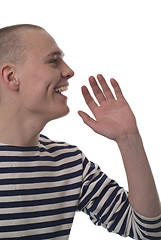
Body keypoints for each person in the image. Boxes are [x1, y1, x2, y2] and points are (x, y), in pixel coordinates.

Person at [0, 24, 160, 240]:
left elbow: (148, 230)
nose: (69, 71)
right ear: (11, 77)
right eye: (53, 60)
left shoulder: (70, 163)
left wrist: (128, 138)